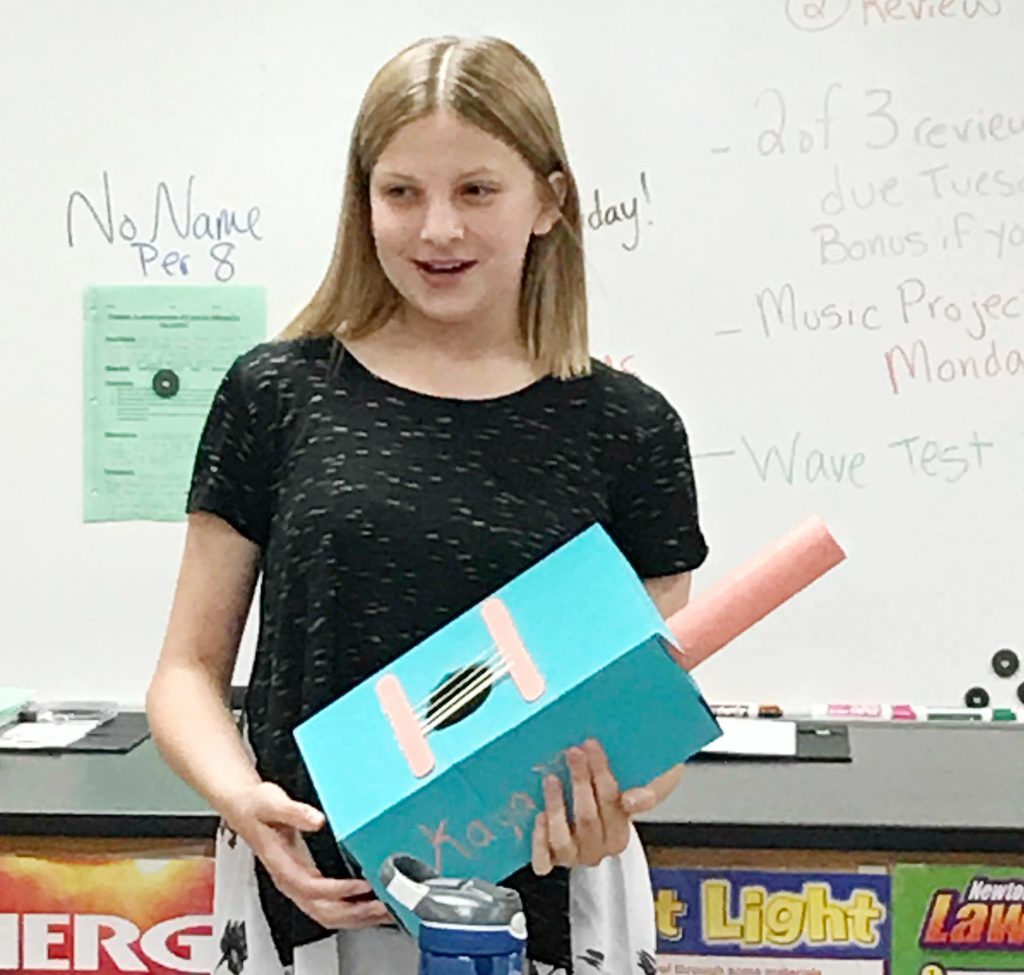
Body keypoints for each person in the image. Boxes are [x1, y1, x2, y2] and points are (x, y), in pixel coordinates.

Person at [146, 34, 708, 975]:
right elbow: (184, 675)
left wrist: (617, 797)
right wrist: (243, 797)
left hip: (548, 912)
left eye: (477, 190)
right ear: (362, 202)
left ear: (549, 200)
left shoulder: (628, 428)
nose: (437, 230)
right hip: (309, 900)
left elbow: (646, 714)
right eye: (401, 192)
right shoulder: (277, 393)